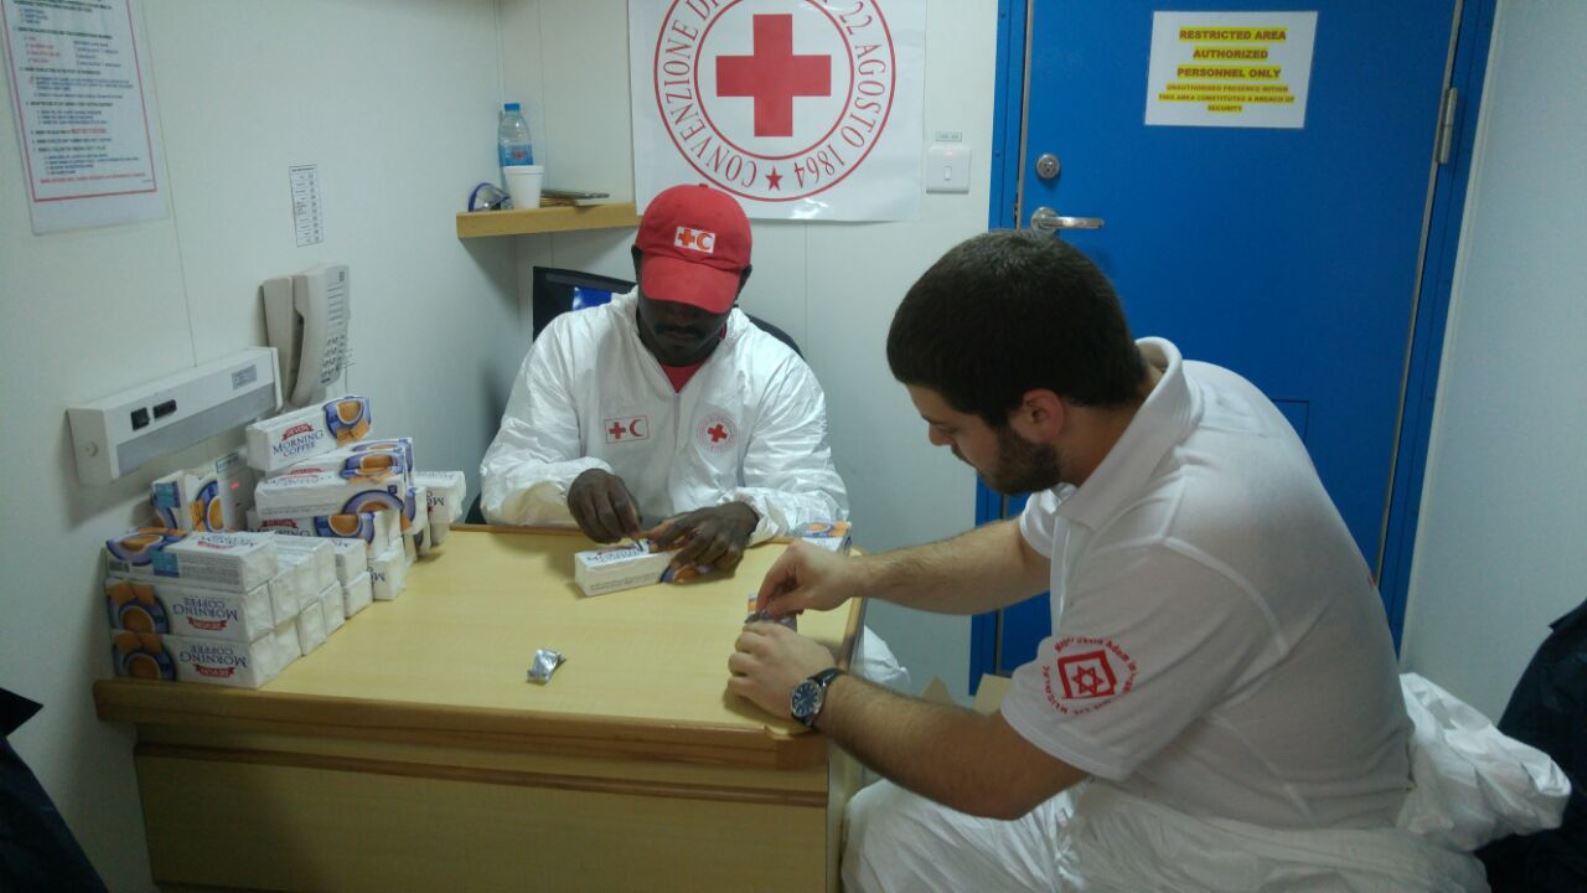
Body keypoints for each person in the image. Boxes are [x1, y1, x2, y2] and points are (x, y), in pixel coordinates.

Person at [729, 231, 1565, 891]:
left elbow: (999, 779)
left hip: (1261, 851)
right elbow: (1026, 548)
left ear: (1037, 411)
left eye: (949, 427)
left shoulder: (1181, 536)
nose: (936, 441)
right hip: (1187, 789)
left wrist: (816, 688)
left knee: (897, 830)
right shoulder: (1181, 394)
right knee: (892, 830)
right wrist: (859, 573)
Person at [480, 183, 848, 573]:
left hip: (721, 577)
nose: (681, 316)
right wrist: (569, 483)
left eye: (702, 300)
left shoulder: (776, 371)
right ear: (638, 264)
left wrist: (749, 515)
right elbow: (502, 482)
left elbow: (820, 504)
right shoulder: (570, 344)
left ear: (741, 282)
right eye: (668, 294)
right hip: (595, 571)